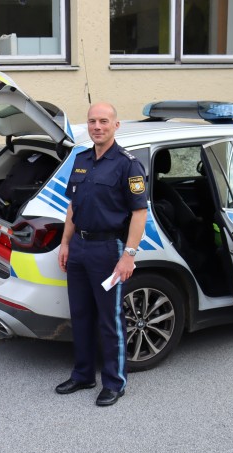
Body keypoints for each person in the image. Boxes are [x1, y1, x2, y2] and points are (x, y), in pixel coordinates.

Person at [55, 102, 148, 407]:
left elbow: (139, 212)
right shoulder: (81, 160)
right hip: (80, 247)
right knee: (80, 315)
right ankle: (83, 375)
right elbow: (72, 207)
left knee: (110, 319)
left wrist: (129, 256)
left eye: (104, 121)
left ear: (115, 126)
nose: (97, 126)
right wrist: (66, 243)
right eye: (93, 121)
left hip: (109, 249)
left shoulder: (127, 165)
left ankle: (114, 382)